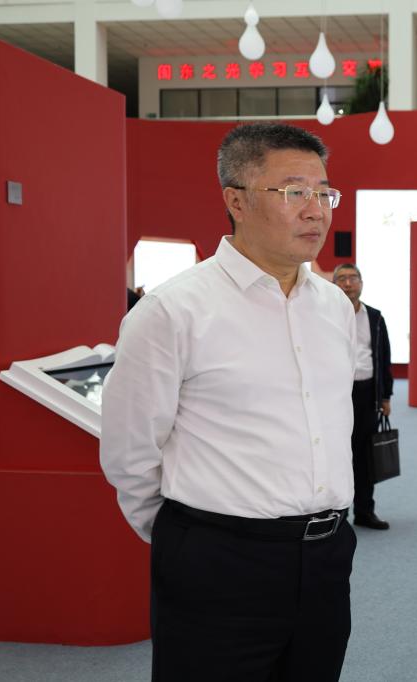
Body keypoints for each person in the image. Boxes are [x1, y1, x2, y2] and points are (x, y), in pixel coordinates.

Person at [100, 123, 357, 681]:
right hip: (218, 560)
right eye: (294, 192)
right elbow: (129, 449)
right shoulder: (173, 310)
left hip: (327, 555)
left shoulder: (334, 307)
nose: (316, 211)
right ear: (236, 201)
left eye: (324, 193)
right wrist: (190, 538)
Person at [333, 262, 393, 530]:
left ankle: (365, 511)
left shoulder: (375, 317)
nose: (348, 284)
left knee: (366, 456)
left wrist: (385, 396)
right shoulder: (325, 316)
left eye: (353, 278)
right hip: (336, 395)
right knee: (339, 455)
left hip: (368, 393)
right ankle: (338, 513)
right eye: (342, 279)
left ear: (361, 283)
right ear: (334, 284)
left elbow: (384, 357)